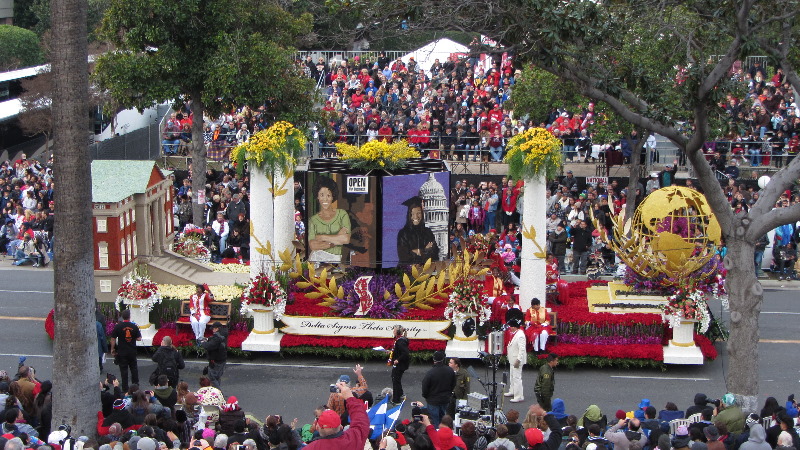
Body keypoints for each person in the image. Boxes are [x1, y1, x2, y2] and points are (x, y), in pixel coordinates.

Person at [305, 381, 369, 449]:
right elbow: (361, 421)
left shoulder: (311, 448)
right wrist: (350, 397)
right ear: (341, 427)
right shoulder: (353, 440)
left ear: (317, 428)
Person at [308, 176, 351, 264]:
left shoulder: (342, 214)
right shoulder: (313, 220)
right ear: (317, 197)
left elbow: (346, 239)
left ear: (332, 197)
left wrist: (321, 237)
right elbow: (313, 245)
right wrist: (335, 241)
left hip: (337, 260)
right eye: (322, 195)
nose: (325, 199)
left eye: (328, 195)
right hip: (317, 260)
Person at [397, 196, 439, 265]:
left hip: (427, 269)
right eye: (413, 214)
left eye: (419, 213)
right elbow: (404, 257)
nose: (416, 217)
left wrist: (416, 252)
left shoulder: (428, 232)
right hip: (407, 270)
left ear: (422, 214)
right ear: (409, 215)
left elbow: (434, 254)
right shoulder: (403, 234)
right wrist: (425, 250)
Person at [421, 350, 455, 427]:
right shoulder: (450, 370)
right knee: (443, 419)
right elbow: (453, 384)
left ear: (434, 360)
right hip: (445, 399)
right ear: (443, 359)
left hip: (433, 401)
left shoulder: (430, 373)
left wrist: (426, 396)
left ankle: (436, 433)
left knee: (434, 421)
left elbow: (425, 387)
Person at [110, 309, 141, 391]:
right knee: (134, 369)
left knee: (124, 370)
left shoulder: (118, 326)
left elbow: (113, 338)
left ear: (122, 317)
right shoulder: (134, 326)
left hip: (122, 352)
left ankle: (125, 388)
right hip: (132, 351)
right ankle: (135, 386)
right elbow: (139, 338)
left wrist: (112, 349)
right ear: (129, 316)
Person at [504, 317, 526, 403]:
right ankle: (512, 391)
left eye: (511, 326)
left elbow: (522, 349)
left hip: (516, 359)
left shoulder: (520, 335)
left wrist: (518, 360)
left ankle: (519, 396)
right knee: (512, 376)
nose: (510, 328)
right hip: (512, 358)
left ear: (514, 327)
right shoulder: (515, 333)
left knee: (517, 377)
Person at [200, 322, 227, 389]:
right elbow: (214, 340)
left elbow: (209, 346)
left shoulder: (217, 338)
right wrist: (208, 339)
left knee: (212, 379)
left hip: (215, 361)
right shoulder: (222, 335)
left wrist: (203, 343)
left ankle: (218, 392)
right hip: (222, 360)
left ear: (217, 329)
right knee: (217, 377)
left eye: (213, 329)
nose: (212, 330)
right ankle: (217, 391)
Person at [389, 325, 410, 405]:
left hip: (400, 365)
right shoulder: (400, 340)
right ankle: (400, 394)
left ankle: (396, 399)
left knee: (395, 380)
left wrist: (398, 359)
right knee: (396, 379)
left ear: (397, 332)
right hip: (401, 364)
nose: (393, 332)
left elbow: (405, 353)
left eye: (394, 331)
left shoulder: (400, 342)